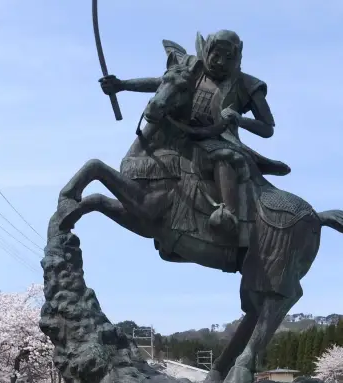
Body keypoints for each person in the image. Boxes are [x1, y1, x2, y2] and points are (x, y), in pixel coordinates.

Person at [99, 30, 288, 243]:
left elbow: (267, 128)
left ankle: (228, 214)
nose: (219, 62)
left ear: (237, 59)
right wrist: (122, 85)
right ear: (207, 50)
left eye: (228, 58)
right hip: (181, 134)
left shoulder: (247, 85)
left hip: (217, 139)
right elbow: (162, 83)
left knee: (224, 157)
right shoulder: (192, 67)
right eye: (216, 55)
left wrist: (239, 119)